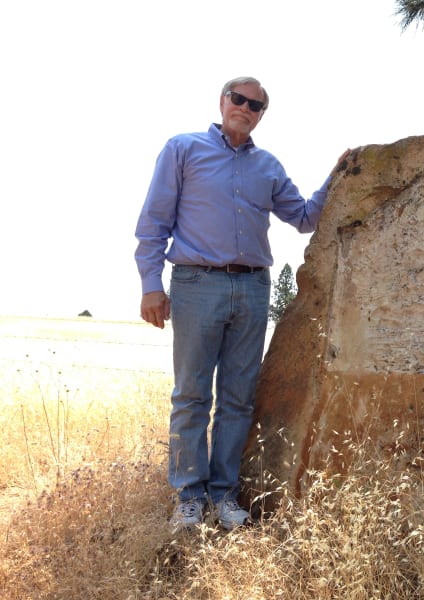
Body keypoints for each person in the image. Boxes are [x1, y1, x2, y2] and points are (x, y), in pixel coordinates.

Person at [135, 76, 347, 533]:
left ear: (260, 115)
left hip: (253, 288)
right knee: (192, 395)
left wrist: (338, 176)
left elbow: (305, 218)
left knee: (237, 398)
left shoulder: (268, 166)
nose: (246, 108)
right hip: (196, 283)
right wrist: (151, 283)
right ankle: (189, 497)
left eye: (256, 105)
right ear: (223, 101)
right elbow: (153, 221)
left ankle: (223, 495)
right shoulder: (183, 149)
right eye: (239, 99)